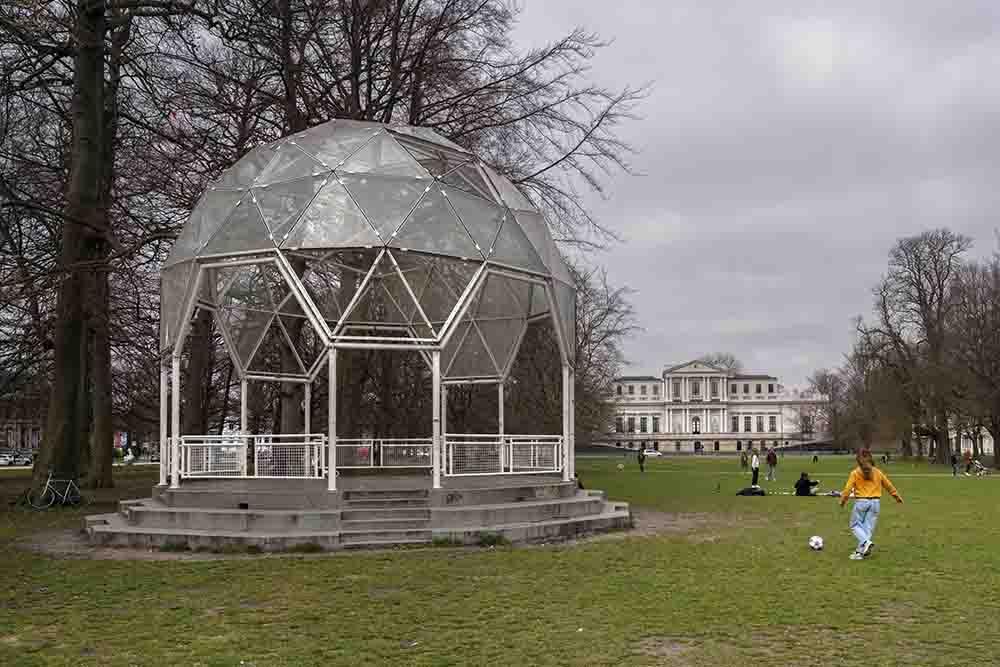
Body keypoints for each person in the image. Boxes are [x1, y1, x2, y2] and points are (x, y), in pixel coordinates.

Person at [840, 448, 903, 560]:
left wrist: (843, 501)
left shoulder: (855, 473)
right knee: (867, 528)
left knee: (855, 525)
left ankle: (865, 543)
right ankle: (860, 552)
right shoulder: (878, 472)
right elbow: (888, 485)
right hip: (875, 503)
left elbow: (847, 489)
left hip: (861, 502)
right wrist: (896, 497)